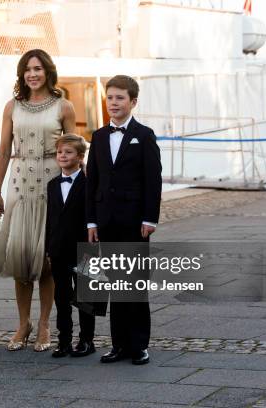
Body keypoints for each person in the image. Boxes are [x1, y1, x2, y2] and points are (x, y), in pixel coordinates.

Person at [0, 49, 76, 352]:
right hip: (20, 186)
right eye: (27, 70)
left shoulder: (65, 106)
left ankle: (45, 323)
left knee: (48, 261)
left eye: (38, 69)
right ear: (22, 74)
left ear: (48, 71)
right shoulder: (13, 107)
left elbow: (74, 152)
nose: (32, 74)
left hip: (52, 185)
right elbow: (3, 151)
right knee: (21, 259)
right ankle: (23, 324)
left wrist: (77, 194)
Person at [86, 75, 162, 365]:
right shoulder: (99, 136)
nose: (113, 103)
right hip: (106, 220)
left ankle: (139, 344)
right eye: (110, 98)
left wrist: (149, 218)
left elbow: (152, 180)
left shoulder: (144, 136)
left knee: (135, 284)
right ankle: (118, 345)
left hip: (134, 221)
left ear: (133, 102)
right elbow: (93, 181)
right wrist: (91, 222)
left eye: (120, 98)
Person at [46, 134, 98, 358]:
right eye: (59, 152)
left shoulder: (89, 183)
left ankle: (87, 341)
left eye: (68, 152)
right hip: (58, 249)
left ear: (80, 156)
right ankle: (64, 340)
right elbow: (50, 219)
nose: (62, 156)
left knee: (86, 297)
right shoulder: (52, 185)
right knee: (62, 297)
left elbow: (94, 215)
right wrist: (48, 247)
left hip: (84, 247)